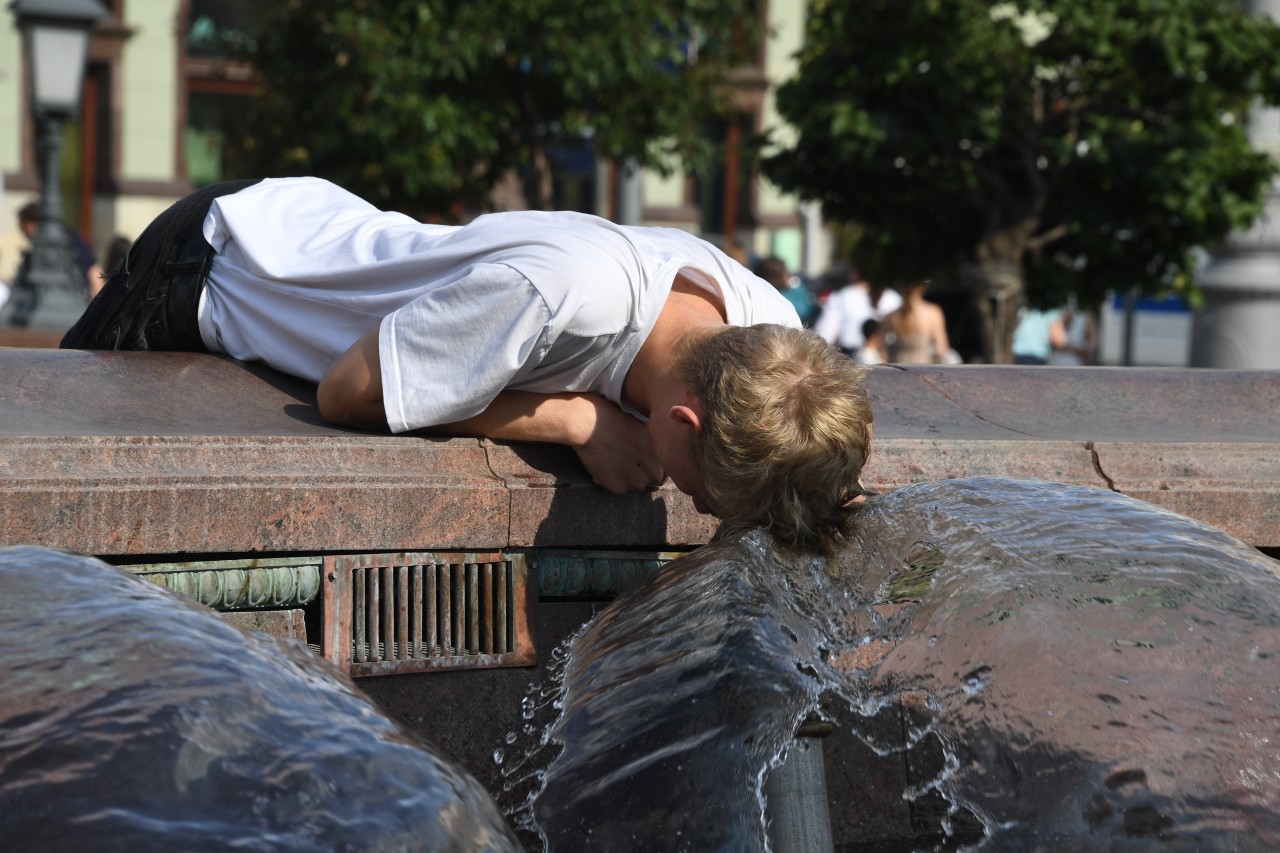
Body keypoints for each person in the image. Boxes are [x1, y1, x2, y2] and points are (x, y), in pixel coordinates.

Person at [61, 177, 874, 555]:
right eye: (703, 492)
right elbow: (347, 391)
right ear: (682, 421)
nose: (694, 505)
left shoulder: (773, 327)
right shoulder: (560, 296)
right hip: (219, 266)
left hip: (324, 226)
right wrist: (572, 420)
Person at [16, 202, 104, 299]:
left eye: (23, 226)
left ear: (34, 223)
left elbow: (93, 269)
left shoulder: (65, 242)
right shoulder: (61, 239)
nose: (22, 230)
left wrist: (98, 303)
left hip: (73, 300)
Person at [813, 268, 902, 356]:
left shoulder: (841, 297)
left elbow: (823, 337)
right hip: (883, 358)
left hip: (855, 359)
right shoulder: (895, 299)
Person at [858, 281, 951, 364]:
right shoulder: (932, 313)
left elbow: (880, 350)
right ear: (923, 287)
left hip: (897, 374)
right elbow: (941, 350)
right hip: (923, 372)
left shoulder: (892, 316)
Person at [753, 256, 816, 326]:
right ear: (777, 277)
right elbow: (805, 312)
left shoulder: (757, 296)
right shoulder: (785, 300)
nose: (789, 275)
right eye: (785, 272)